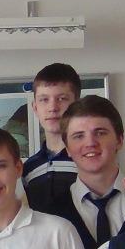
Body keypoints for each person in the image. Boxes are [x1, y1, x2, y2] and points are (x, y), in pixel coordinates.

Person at [45, 96, 125, 249]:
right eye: (78, 136)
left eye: (100, 133)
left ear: (119, 140)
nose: (90, 143)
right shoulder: (51, 214)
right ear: (67, 149)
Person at [22, 63, 82, 213]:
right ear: (35, 107)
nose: (52, 108)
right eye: (44, 99)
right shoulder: (28, 168)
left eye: (62, 98)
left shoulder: (87, 159)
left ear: (77, 105)